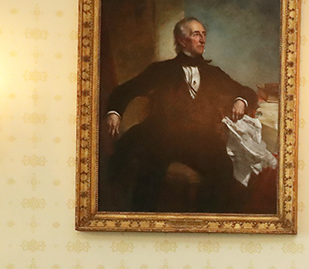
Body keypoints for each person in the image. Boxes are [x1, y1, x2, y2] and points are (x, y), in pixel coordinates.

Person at [103, 17, 260, 213]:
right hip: (162, 137)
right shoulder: (160, 71)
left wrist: (240, 100)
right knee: (148, 174)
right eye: (196, 34)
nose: (202, 39)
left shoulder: (214, 73)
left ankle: (207, 223)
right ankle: (142, 223)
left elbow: (247, 92)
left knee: (222, 169)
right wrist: (115, 113)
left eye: (204, 35)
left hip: (201, 140)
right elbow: (124, 91)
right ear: (181, 40)